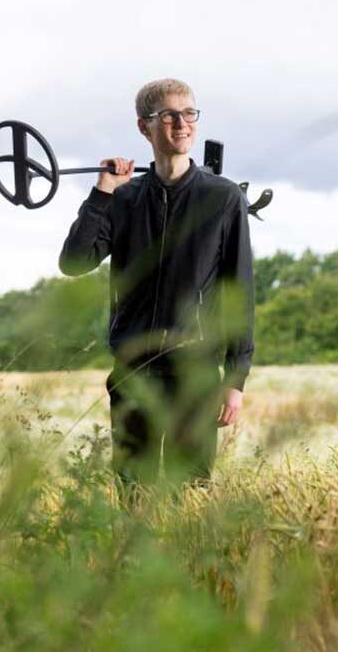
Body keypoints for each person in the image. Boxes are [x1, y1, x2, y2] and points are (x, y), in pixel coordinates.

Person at [58, 77, 255, 490]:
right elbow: (74, 263)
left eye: (189, 114)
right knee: (134, 493)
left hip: (196, 374)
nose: (181, 124)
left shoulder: (222, 199)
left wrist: (235, 380)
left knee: (192, 494)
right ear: (144, 126)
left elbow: (240, 290)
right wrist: (101, 195)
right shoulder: (123, 198)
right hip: (134, 372)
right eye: (169, 115)